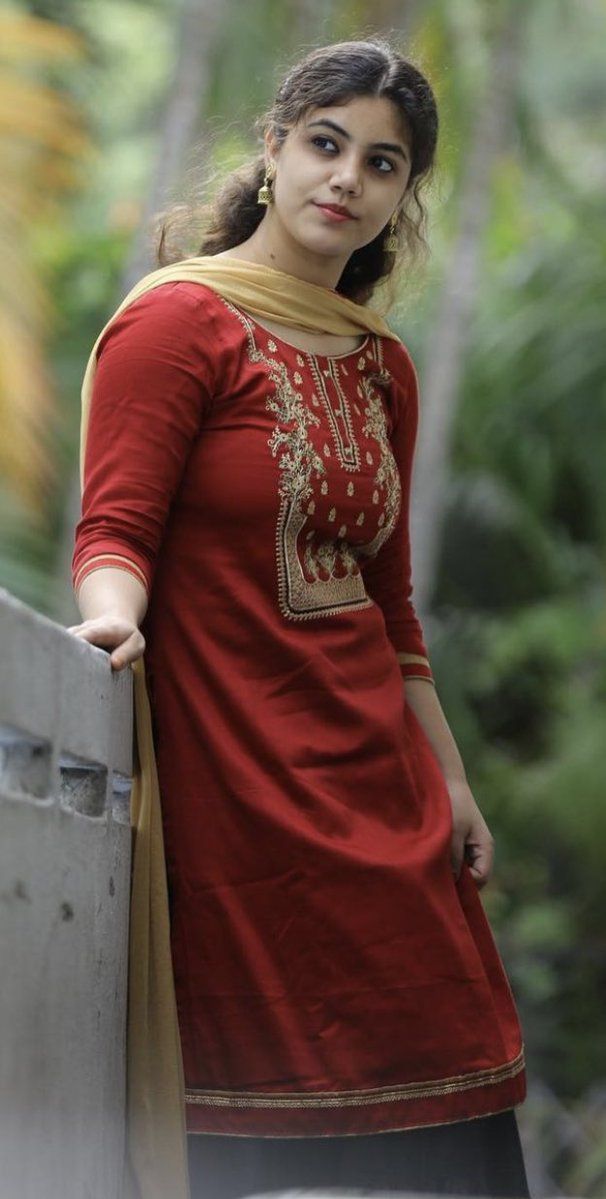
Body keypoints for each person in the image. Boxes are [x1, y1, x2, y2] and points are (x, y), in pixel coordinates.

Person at [69, 37, 531, 1199]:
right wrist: (109, 622)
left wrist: (455, 781)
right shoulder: (180, 324)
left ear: (399, 197)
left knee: (452, 1090)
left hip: (381, 783)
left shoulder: (383, 365)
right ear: (273, 149)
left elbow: (393, 607)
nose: (348, 178)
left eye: (383, 164)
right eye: (327, 144)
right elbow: (113, 527)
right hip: (239, 776)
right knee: (253, 1109)